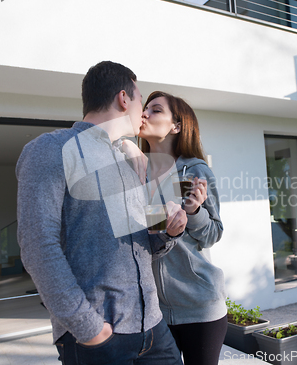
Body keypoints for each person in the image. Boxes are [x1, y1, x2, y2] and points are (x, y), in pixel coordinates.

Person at [16, 62, 187, 365]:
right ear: (124, 99)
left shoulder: (128, 159)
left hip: (153, 327)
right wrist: (89, 329)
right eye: (140, 101)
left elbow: (138, 238)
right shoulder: (51, 149)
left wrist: (169, 229)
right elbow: (37, 245)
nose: (143, 112)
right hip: (100, 337)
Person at [138, 91, 227, 365]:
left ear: (176, 126)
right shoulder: (136, 173)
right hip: (155, 311)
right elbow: (147, 237)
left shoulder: (193, 171)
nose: (145, 114)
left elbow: (213, 234)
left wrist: (194, 212)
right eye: (145, 108)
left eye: (155, 110)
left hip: (199, 307)